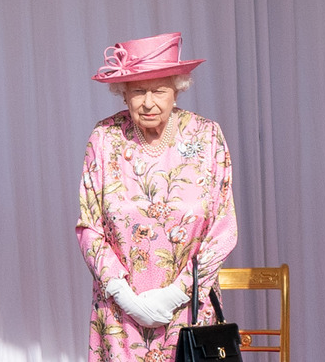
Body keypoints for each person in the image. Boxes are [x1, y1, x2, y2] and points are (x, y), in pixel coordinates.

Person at [76, 32, 238, 361]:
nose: (149, 102)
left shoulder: (207, 136)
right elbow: (88, 227)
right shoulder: (103, 139)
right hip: (120, 315)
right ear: (123, 94)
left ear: (177, 88)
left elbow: (223, 227)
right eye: (138, 91)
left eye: (159, 90)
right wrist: (124, 296)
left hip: (187, 311)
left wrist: (176, 293)